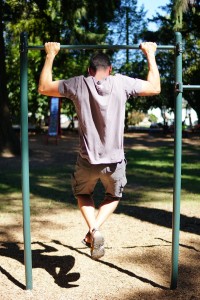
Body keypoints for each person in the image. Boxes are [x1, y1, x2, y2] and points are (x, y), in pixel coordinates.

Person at [38, 42, 161, 260]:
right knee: (113, 195)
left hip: (87, 160)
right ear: (110, 69)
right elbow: (154, 87)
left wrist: (50, 55)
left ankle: (93, 230)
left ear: (89, 70)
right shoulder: (122, 82)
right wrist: (150, 54)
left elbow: (44, 87)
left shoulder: (78, 83)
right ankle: (95, 230)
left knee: (83, 193)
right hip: (114, 161)